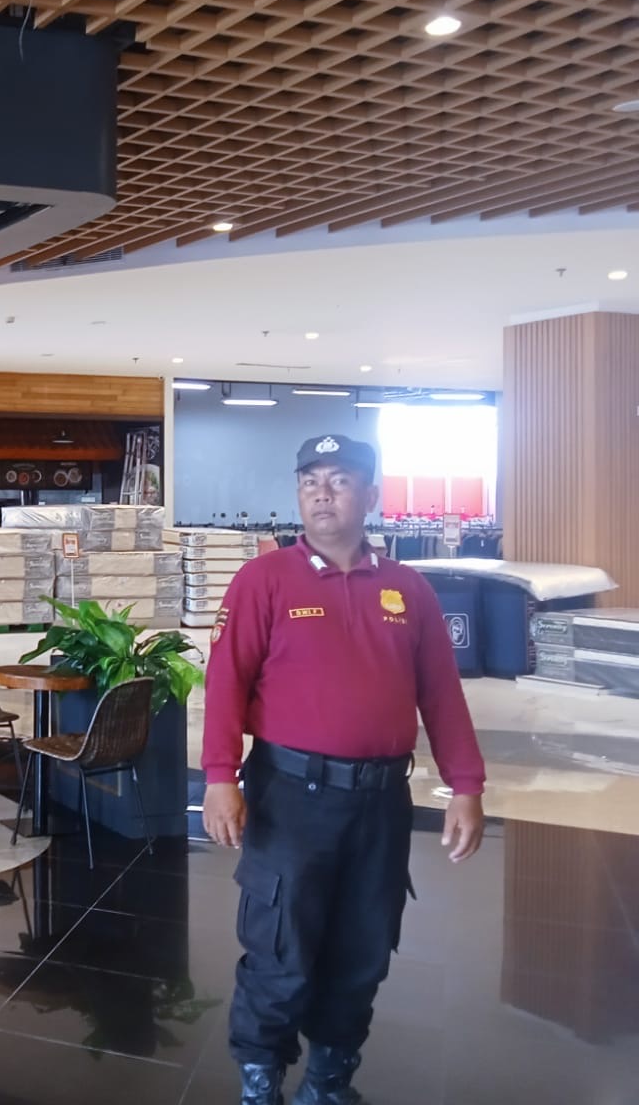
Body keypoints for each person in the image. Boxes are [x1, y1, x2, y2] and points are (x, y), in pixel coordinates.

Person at [202, 435, 486, 1105]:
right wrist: (219, 776)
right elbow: (225, 683)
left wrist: (466, 786)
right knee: (281, 950)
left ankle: (329, 1082)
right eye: (310, 481)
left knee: (363, 950)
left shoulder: (408, 589)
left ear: (371, 495)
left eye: (339, 480)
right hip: (290, 800)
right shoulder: (264, 580)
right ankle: (260, 1083)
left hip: (380, 804)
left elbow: (442, 694)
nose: (322, 493)